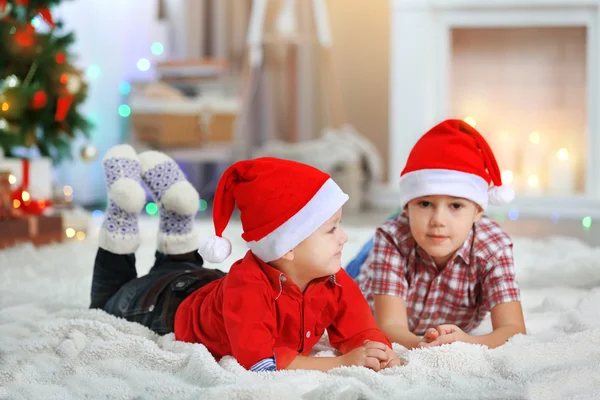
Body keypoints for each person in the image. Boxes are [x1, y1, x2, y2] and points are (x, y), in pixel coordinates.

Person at [90, 145, 400, 372]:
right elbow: (260, 365)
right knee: (106, 300)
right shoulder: (249, 289)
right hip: (160, 307)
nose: (344, 237)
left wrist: (380, 351)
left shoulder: (332, 278)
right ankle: (122, 212)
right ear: (288, 246)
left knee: (176, 267)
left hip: (207, 285)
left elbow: (360, 329)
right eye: (332, 229)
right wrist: (340, 363)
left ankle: (177, 212)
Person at [352, 119, 526, 350]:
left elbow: (514, 329)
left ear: (478, 212)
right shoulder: (392, 238)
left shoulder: (494, 247)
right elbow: (389, 325)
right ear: (407, 207)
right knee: (340, 281)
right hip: (369, 272)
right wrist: (421, 343)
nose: (438, 221)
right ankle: (364, 255)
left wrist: (467, 342)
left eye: (455, 206)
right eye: (425, 203)